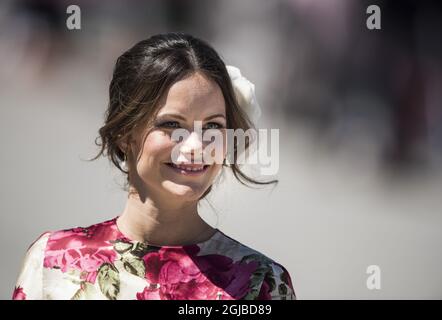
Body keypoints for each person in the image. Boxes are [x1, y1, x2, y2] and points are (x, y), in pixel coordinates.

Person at [12, 32, 296, 300]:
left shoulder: (260, 284)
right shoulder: (52, 260)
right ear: (125, 133)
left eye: (212, 126)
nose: (196, 146)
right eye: (171, 124)